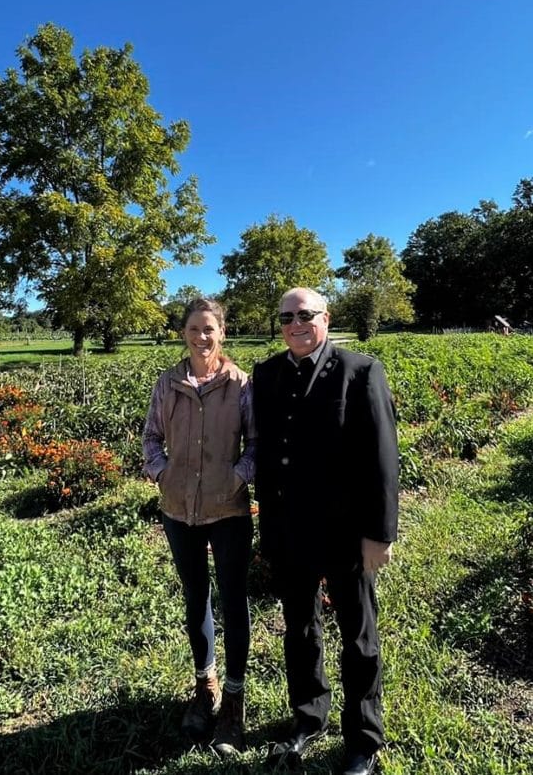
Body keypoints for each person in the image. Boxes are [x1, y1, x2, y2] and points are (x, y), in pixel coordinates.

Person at [253, 287, 399, 775]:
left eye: (305, 314)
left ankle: (363, 739)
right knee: (300, 630)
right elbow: (269, 459)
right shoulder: (267, 373)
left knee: (358, 637)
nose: (295, 323)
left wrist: (379, 534)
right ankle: (308, 715)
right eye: (286, 316)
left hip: (345, 532)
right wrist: (268, 530)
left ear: (325, 318)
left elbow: (382, 459)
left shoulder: (360, 371)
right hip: (289, 532)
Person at [141, 298, 255, 757]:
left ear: (222, 333)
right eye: (193, 328)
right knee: (195, 596)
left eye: (209, 328)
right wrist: (160, 471)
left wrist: (237, 476)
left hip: (228, 511)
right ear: (183, 333)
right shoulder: (167, 384)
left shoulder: (241, 384)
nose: (201, 336)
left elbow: (257, 445)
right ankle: (204, 685)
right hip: (177, 510)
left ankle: (234, 698)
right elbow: (150, 435)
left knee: (233, 597)